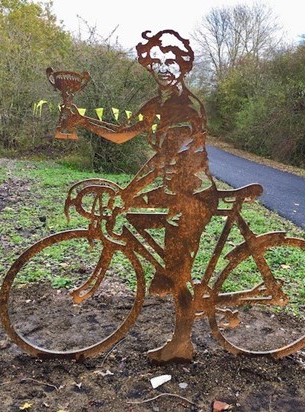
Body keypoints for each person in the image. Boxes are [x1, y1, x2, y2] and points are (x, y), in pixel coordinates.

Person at [59, 29, 218, 363]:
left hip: (193, 195)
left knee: (179, 270)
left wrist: (128, 191)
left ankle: (181, 343)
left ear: (184, 66)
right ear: (149, 66)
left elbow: (165, 159)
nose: (164, 67)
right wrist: (82, 120)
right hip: (171, 191)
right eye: (157, 61)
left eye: (171, 61)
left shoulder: (186, 107)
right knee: (131, 218)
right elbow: (121, 134)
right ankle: (165, 274)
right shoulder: (155, 105)